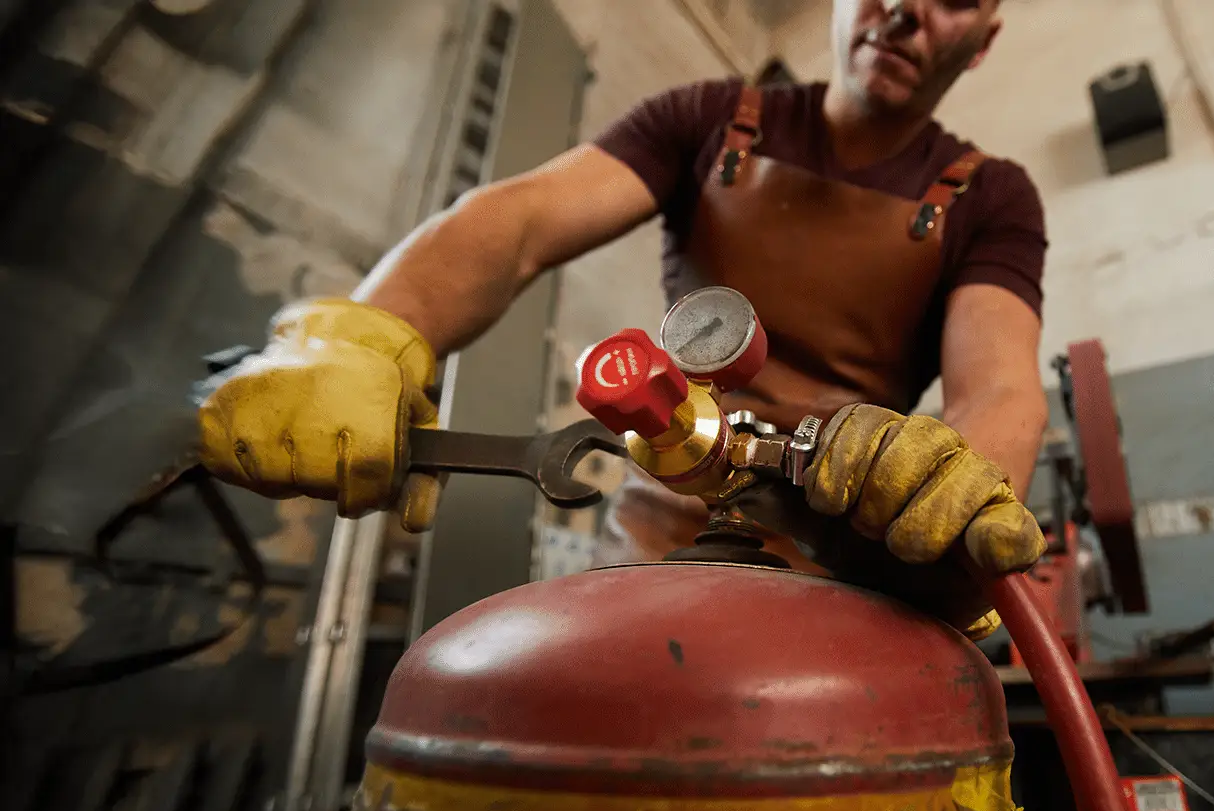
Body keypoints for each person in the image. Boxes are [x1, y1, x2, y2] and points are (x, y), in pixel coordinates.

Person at [197, 0, 1051, 617]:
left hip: (853, 571)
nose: (905, 11)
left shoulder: (994, 197)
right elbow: (520, 221)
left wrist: (954, 502)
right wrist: (361, 339)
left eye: (953, 0)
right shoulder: (713, 119)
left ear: (982, 41)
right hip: (655, 544)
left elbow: (1000, 387)